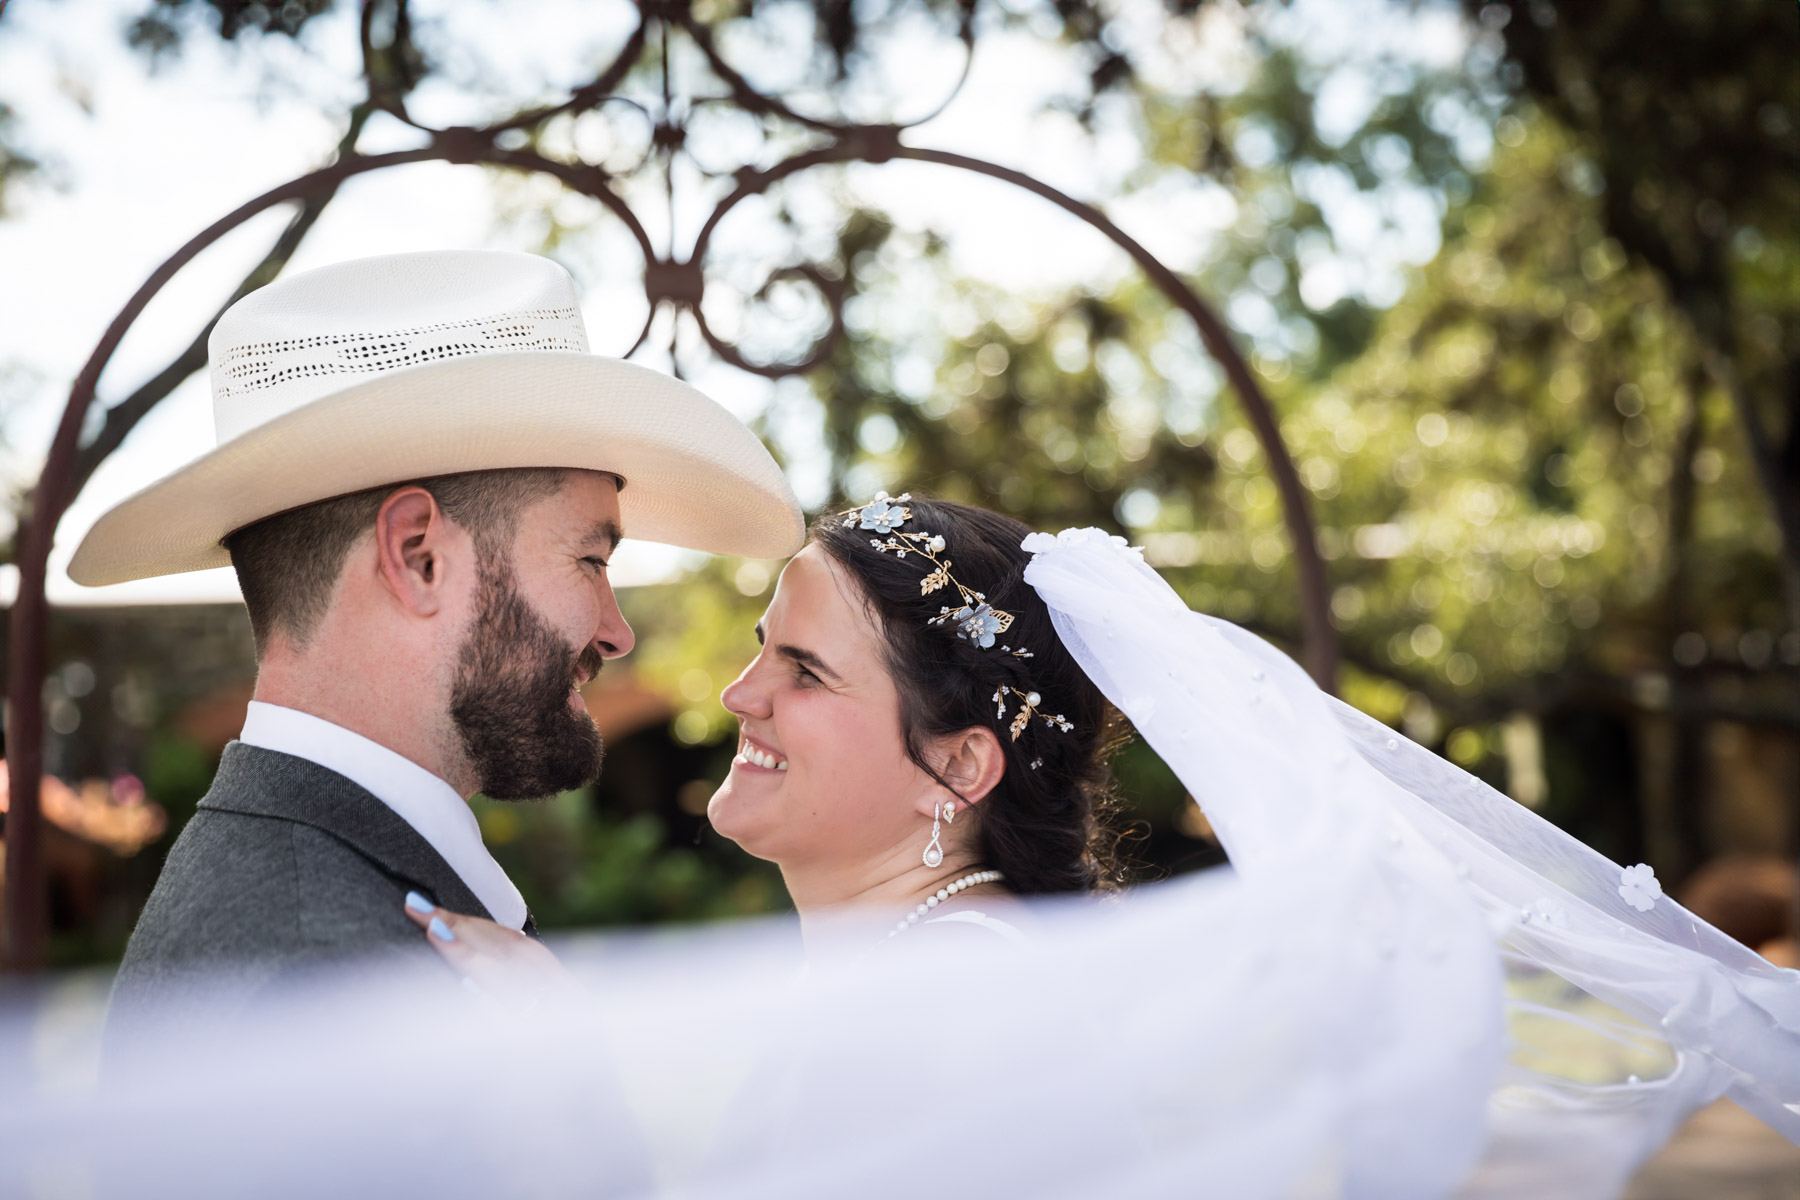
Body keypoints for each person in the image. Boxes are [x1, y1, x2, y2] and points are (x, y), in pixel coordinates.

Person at [83, 249, 804, 1046]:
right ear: (419, 554)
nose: (616, 629)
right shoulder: (328, 986)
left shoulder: (299, 885)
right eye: (591, 560)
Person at [403, 496, 1131, 989]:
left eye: (806, 672)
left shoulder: (962, 982)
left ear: (956, 765)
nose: (739, 696)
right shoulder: (906, 963)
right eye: (763, 648)